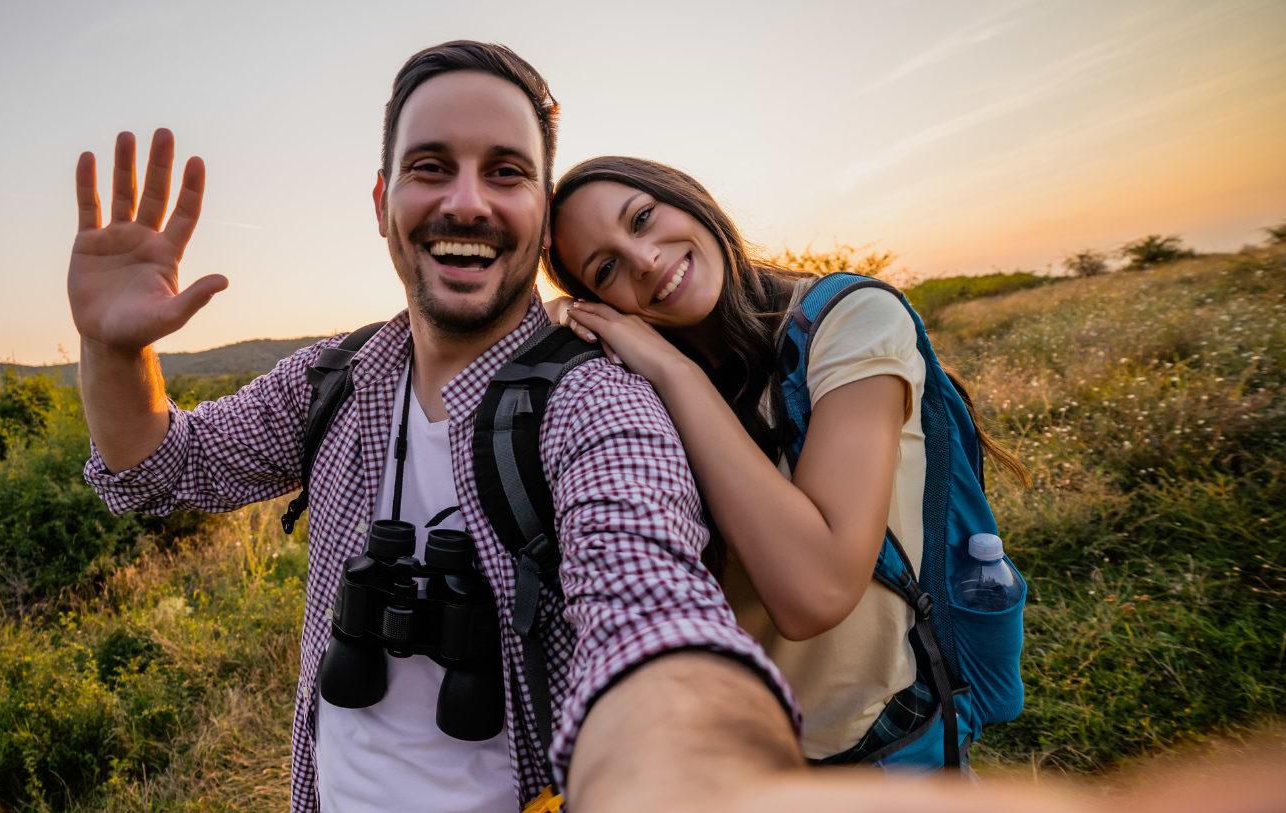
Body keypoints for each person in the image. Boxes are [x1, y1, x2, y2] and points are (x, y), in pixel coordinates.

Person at [69, 42, 804, 813]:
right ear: (382, 199)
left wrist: (697, 759)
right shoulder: (336, 379)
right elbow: (160, 468)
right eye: (430, 166)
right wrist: (115, 350)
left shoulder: (593, 402)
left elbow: (652, 612)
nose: (467, 202)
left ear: (544, 216)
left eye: (506, 172)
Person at [544, 156, 1029, 765]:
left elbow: (815, 592)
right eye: (606, 268)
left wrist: (674, 372)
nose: (642, 260)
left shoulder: (849, 319)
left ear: (689, 197)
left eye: (642, 218)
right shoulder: (630, 382)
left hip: (883, 747)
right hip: (746, 759)